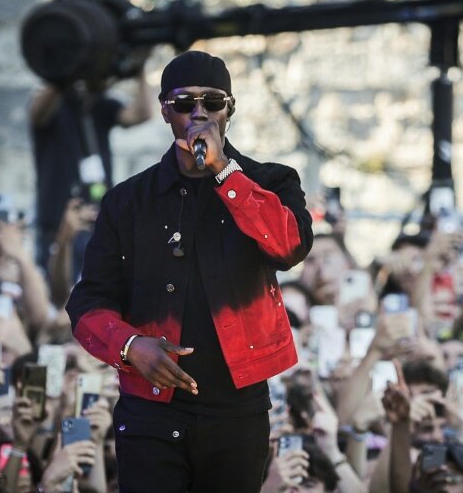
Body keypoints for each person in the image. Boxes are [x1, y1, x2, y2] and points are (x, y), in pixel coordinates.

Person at [65, 50, 313, 492]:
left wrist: (223, 172)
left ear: (229, 109)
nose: (198, 113)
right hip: (151, 409)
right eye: (183, 103)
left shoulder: (271, 181)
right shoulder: (128, 201)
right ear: (164, 110)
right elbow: (87, 300)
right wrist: (130, 346)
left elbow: (290, 246)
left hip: (236, 407)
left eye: (211, 102)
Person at [29, 69, 152, 271]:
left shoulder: (99, 105)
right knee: (59, 297)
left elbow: (142, 114)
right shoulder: (53, 105)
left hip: (98, 227)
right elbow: (37, 114)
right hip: (58, 227)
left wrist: (139, 69)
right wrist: (68, 69)